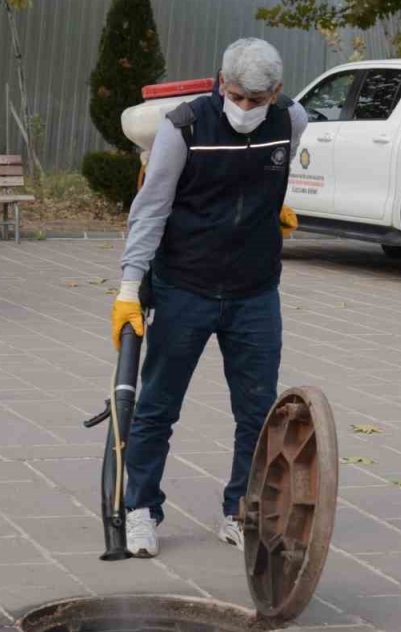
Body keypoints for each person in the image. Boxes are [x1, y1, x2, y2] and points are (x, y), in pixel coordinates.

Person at [109, 38, 306, 558]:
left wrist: (270, 211)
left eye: (256, 101)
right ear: (222, 84)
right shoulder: (185, 127)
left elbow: (273, 177)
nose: (244, 109)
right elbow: (150, 209)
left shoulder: (292, 120)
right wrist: (130, 286)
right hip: (185, 289)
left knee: (258, 412)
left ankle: (242, 510)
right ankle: (140, 510)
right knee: (157, 407)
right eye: (236, 96)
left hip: (255, 292)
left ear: (276, 94)